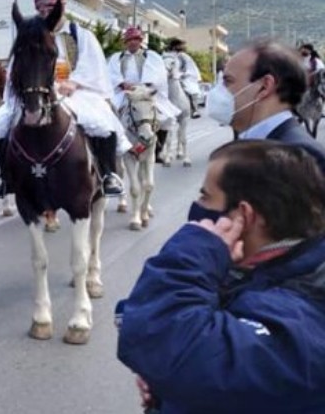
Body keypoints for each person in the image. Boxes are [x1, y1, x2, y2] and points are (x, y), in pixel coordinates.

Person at [117, 140, 325, 414]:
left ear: (244, 215)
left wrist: (194, 251)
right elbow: (143, 319)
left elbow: (165, 336)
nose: (197, 206)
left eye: (205, 196)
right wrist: (167, 382)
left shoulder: (305, 311)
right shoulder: (259, 269)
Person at [0, 0, 130, 198]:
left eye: (50, 6)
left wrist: (74, 82)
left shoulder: (79, 34)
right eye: (40, 6)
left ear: (61, 6)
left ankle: (109, 174)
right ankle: (6, 177)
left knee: (102, 121)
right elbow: (17, 65)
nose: (45, 10)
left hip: (76, 91)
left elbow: (93, 65)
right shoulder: (29, 32)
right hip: (36, 91)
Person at [200, 39, 325, 195]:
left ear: (265, 86)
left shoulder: (300, 156)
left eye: (228, 81)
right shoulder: (248, 145)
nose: (218, 92)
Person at [107, 26, 182, 158]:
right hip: (125, 93)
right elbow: (111, 74)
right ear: (125, 42)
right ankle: (115, 148)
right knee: (108, 117)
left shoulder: (151, 56)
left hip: (145, 92)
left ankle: (158, 147)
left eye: (135, 39)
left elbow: (157, 74)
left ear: (140, 41)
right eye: (129, 40)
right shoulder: (116, 58)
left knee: (166, 117)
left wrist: (143, 86)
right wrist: (123, 84)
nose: (132, 42)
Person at [163, 37, 203, 118]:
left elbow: (187, 67)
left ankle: (194, 109)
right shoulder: (166, 55)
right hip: (166, 76)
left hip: (181, 77)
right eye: (180, 45)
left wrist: (182, 74)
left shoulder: (183, 56)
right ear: (175, 46)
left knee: (190, 90)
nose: (182, 47)